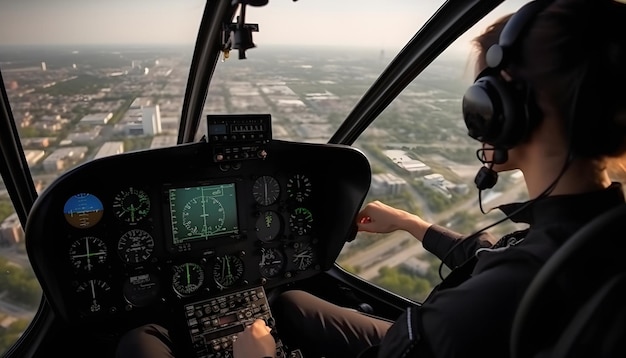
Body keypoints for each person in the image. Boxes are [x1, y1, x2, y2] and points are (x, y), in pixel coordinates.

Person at [116, 0, 626, 357]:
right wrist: (409, 222)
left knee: (142, 340)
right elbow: (499, 257)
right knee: (290, 301)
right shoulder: (598, 230)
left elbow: (494, 284)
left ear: (501, 110)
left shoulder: (489, 304)